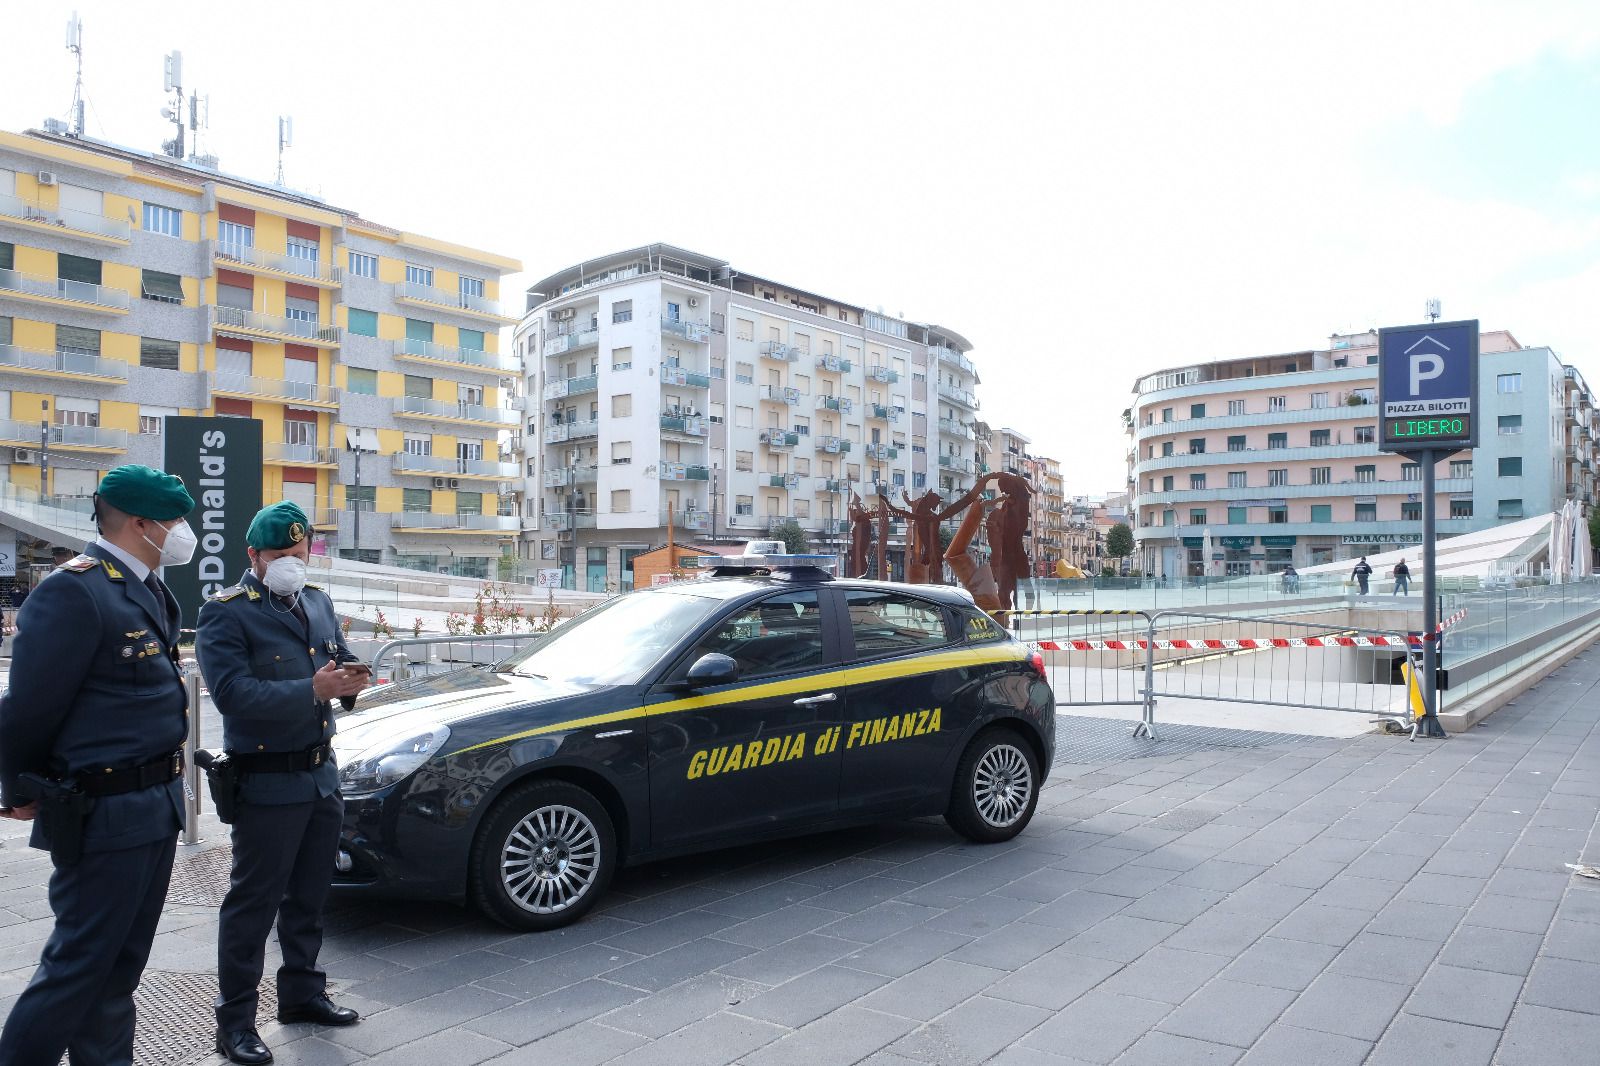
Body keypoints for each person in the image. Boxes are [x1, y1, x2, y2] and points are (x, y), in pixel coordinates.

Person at [0, 465, 196, 1066]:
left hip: (154, 806)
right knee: (78, 967)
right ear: (141, 524)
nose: (184, 532)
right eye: (176, 521)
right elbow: (28, 707)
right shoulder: (75, 590)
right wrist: (17, 786)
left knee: (118, 971)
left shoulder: (146, 586)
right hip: (105, 813)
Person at [197, 501, 369, 1064]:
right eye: (282, 556)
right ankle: (236, 1023)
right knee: (253, 905)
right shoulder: (227, 613)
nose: (296, 564)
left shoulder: (317, 602)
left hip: (320, 776)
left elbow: (335, 661)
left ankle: (302, 994)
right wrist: (310, 692)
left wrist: (351, 680)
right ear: (254, 556)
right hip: (267, 784)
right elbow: (232, 696)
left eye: (302, 554)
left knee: (309, 899)